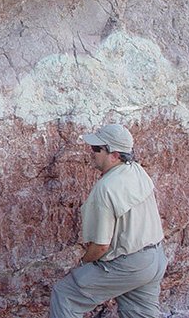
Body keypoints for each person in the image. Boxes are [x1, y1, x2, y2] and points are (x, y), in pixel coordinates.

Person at [49, 124, 168, 318]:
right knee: (140, 314)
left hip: (128, 265)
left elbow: (101, 246)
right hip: (155, 259)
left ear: (115, 155)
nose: (92, 153)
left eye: (97, 149)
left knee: (64, 295)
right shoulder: (138, 171)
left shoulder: (106, 188)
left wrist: (83, 263)